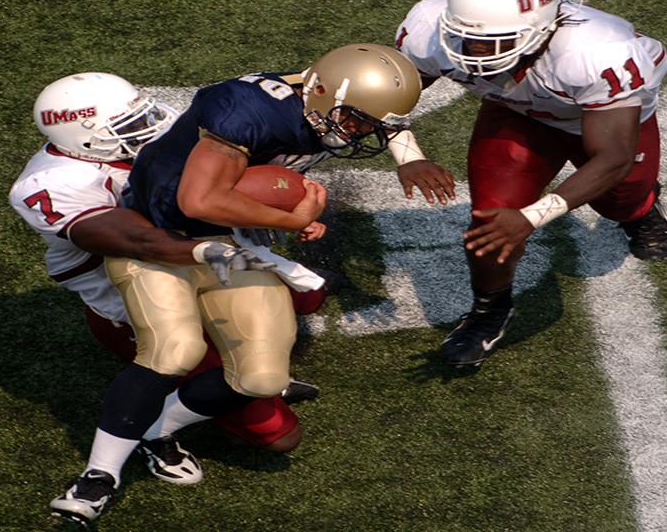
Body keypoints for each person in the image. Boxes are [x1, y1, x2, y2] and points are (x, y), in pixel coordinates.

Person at [46, 44, 424, 526]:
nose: (359, 133)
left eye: (368, 125)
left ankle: (153, 431)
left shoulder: (316, 103)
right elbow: (199, 198)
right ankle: (97, 477)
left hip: (225, 244)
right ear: (324, 92)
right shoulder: (247, 111)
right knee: (173, 352)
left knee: (261, 377)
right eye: (354, 121)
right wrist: (291, 218)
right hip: (157, 241)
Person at [9, 72, 320, 526]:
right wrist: (218, 242)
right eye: (129, 126)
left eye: (143, 115)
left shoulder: (155, 133)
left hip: (210, 276)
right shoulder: (54, 184)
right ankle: (132, 450)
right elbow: (142, 243)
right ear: (85, 140)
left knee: (303, 302)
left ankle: (182, 409)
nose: (150, 127)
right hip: (130, 306)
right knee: (278, 436)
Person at [393, 0, 667, 367]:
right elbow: (384, 98)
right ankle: (490, 312)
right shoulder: (428, 26)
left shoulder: (598, 52)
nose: (470, 52)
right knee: (489, 226)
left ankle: (643, 209)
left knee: (620, 200)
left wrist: (532, 217)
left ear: (539, 32)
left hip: (598, 119)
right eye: (462, 38)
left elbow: (613, 157)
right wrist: (409, 155)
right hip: (518, 113)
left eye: (489, 42)